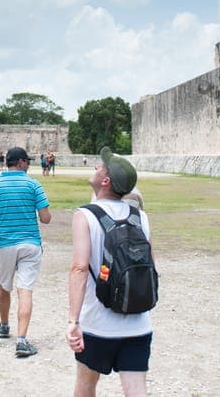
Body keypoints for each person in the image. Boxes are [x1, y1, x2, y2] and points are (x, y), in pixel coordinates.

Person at [67, 147, 152, 395]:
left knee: (85, 385)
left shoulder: (85, 215)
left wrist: (73, 321)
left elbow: (80, 268)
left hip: (98, 324)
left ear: (105, 181)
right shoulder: (140, 217)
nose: (96, 167)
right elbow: (151, 268)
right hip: (138, 323)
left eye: (100, 167)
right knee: (136, 389)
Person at [0, 147, 52, 358]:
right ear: (20, 162)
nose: (28, 164)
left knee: (5, 285)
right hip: (30, 244)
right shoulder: (34, 184)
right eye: (26, 161)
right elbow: (46, 218)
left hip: (5, 245)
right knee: (25, 289)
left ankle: (3, 325)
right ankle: (21, 340)